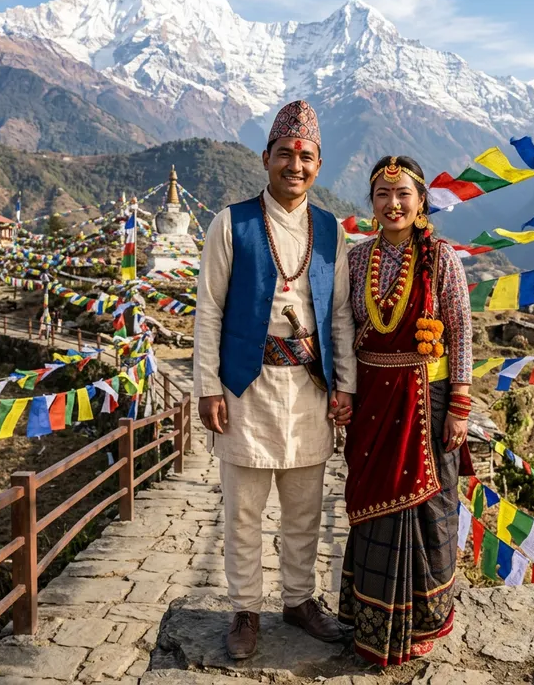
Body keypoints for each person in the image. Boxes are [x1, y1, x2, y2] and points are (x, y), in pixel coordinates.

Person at [194, 100, 357, 660]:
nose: (295, 164)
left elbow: (339, 315)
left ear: (319, 164)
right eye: (285, 153)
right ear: (265, 158)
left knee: (304, 509)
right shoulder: (231, 223)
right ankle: (244, 607)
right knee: (242, 510)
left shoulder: (332, 230)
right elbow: (209, 310)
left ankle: (298, 599)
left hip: (309, 389)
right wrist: (208, 387)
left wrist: (346, 386)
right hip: (246, 386)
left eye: (305, 156)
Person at [338, 155, 474, 666]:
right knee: (372, 507)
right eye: (382, 195)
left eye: (403, 195)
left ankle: (422, 622)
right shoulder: (358, 260)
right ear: (371, 204)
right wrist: (345, 390)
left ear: (421, 203)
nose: (393, 204)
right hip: (373, 398)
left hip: (427, 399)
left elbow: (460, 331)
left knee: (429, 508)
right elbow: (347, 330)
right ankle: (368, 621)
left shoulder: (442, 258)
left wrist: (459, 404)